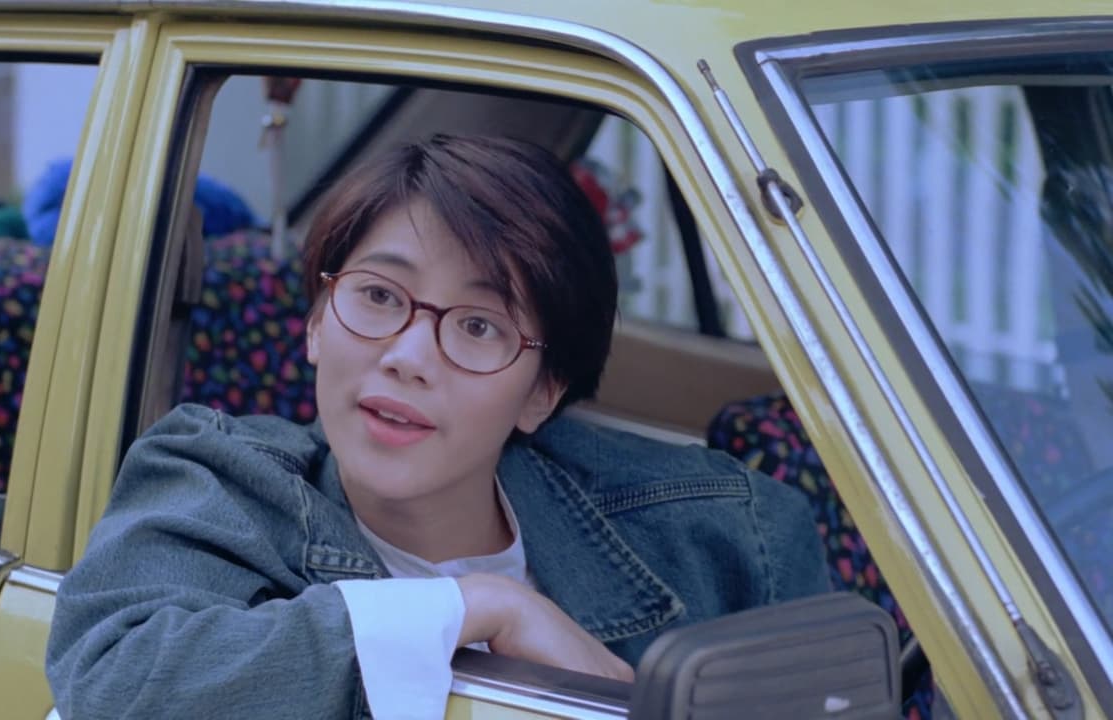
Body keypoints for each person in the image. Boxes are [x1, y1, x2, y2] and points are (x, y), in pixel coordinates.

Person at [45, 134, 829, 719]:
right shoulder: (218, 482)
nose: (408, 357)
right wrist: (482, 607)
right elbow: (112, 681)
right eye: (379, 296)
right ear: (316, 322)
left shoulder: (725, 533)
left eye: (480, 326)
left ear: (542, 393)